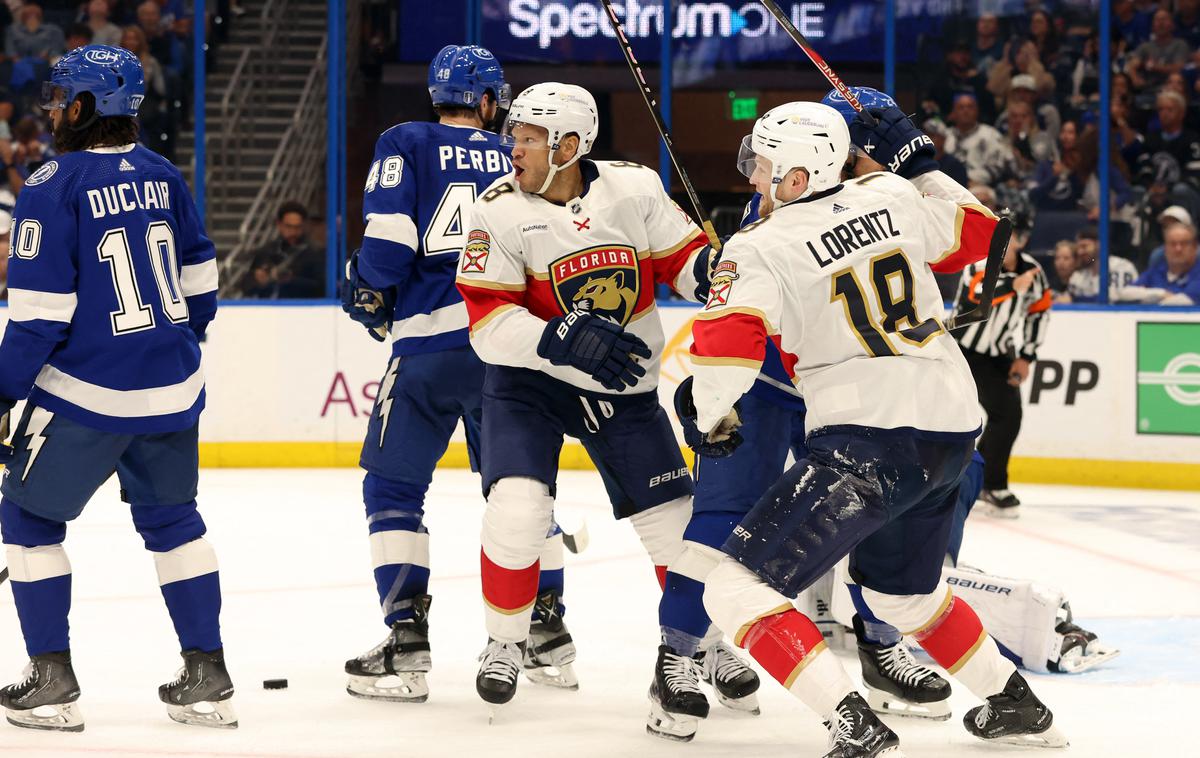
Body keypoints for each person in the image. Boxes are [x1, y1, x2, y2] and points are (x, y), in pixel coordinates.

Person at [683, 100, 1064, 755]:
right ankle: (1017, 704)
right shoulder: (889, 192)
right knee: (900, 595)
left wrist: (706, 411)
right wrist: (922, 168)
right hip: (948, 429)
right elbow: (982, 235)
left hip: (867, 438)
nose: (753, 177)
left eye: (765, 165)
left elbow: (726, 351)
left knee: (734, 587)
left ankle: (852, 724)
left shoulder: (761, 243)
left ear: (797, 177)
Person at [455, 82, 730, 716]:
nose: (512, 149)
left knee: (675, 529)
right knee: (519, 511)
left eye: (528, 138)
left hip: (621, 384)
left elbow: (682, 263)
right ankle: (504, 641)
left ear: (571, 145)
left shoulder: (633, 189)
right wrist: (559, 337)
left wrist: (713, 272)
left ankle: (704, 642)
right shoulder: (496, 210)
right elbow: (488, 325)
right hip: (530, 385)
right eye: (513, 134)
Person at [0, 45, 232, 731]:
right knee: (172, 524)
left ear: (81, 107)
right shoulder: (162, 173)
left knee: (27, 520)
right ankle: (209, 674)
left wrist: (3, 391)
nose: (49, 109)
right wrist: (172, 342)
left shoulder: (51, 184)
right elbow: (201, 280)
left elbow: (39, 321)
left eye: (59, 97)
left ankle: (51, 680)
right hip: (174, 384)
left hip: (88, 391)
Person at [338, 45, 579, 703]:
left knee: (392, 489)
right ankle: (548, 636)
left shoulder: (406, 140)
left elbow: (386, 250)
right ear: (488, 102)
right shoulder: (520, 154)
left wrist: (366, 285)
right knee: (522, 495)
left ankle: (406, 643)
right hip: (512, 349)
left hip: (431, 346)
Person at [953, 210, 1051, 517]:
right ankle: (973, 483)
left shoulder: (1033, 271)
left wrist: (1026, 356)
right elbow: (976, 297)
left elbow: (1039, 312)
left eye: (1012, 236)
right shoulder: (978, 262)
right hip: (964, 351)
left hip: (999, 354)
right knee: (962, 419)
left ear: (1021, 240)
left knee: (1008, 416)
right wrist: (1012, 286)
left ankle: (988, 483)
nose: (1005, 242)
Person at [1130, 221, 1200, 304]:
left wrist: (1148, 296)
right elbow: (1125, 292)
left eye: (1184, 243)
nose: (1178, 249)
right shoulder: (1156, 270)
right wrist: (1161, 293)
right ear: (1165, 248)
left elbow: (1186, 301)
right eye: (1172, 244)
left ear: (1195, 247)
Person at [1066, 226, 1139, 302]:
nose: (1080, 252)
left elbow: (1116, 300)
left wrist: (1076, 300)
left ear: (1098, 245)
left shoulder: (1121, 266)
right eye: (1078, 248)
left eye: (1084, 246)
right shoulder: (1079, 275)